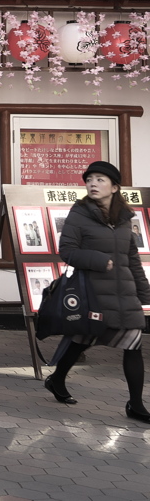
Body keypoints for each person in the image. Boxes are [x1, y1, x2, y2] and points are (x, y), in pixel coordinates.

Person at [45, 161, 150, 424]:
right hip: (91, 292)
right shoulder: (79, 213)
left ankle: (136, 405)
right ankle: (57, 379)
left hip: (124, 292)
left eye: (100, 179)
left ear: (114, 187)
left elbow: (132, 257)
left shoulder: (126, 217)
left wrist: (144, 292)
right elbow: (67, 250)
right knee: (81, 339)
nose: (92, 183)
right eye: (89, 179)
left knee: (133, 344)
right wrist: (99, 260)